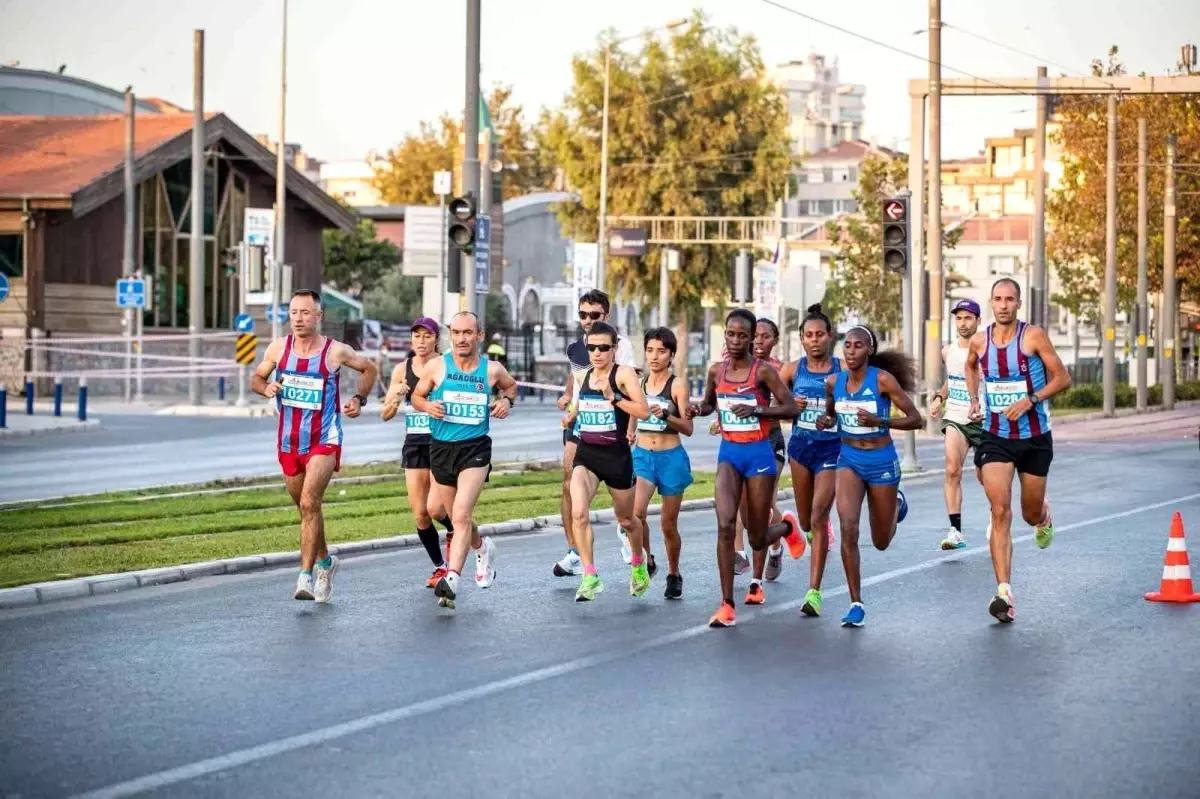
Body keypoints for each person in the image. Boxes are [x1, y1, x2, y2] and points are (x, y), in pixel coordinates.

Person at [252, 289, 378, 603]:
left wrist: (358, 399)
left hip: (324, 439)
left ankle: (305, 576)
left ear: (318, 316)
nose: (298, 318)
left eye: (305, 313)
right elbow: (256, 378)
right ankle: (325, 562)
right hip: (289, 441)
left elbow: (369, 369)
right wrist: (265, 387)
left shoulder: (335, 351)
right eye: (294, 312)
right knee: (306, 509)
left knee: (310, 503)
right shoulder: (279, 348)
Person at [686, 309, 803, 629]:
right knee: (725, 525)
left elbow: (791, 407)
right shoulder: (715, 371)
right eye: (730, 334)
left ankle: (789, 529)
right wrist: (698, 408)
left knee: (756, 536)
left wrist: (757, 409)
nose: (736, 340)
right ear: (725, 335)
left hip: (759, 455)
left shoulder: (763, 372)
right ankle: (726, 604)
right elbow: (710, 404)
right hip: (729, 454)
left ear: (752, 338)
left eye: (742, 335)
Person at [965, 278, 1070, 623]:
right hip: (996, 436)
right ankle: (1004, 592)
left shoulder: (1033, 336)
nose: (1004, 304)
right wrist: (974, 399)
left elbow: (1062, 378)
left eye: (1010, 299)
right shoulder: (980, 341)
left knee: (1028, 513)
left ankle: (1043, 515)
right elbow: (970, 365)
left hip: (1035, 436)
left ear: (1018, 303)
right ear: (991, 303)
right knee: (999, 511)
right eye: (998, 299)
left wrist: (1031, 400)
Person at [815, 325, 922, 628]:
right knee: (848, 528)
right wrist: (827, 420)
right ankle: (856, 603)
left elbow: (916, 418)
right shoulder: (833, 382)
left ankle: (896, 505)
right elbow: (833, 414)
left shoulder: (883, 380)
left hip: (881, 461)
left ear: (869, 350)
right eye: (847, 345)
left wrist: (881, 420)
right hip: (848, 459)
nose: (850, 351)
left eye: (858, 346)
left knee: (881, 541)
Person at [410, 311, 519, 609]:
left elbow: (511, 387)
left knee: (459, 514)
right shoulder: (436, 366)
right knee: (454, 514)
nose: (461, 338)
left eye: (467, 333)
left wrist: (505, 401)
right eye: (456, 332)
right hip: (442, 448)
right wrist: (427, 406)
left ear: (479, 336)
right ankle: (482, 548)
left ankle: (452, 578)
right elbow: (416, 398)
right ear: (450, 335)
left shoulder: (491, 370)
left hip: (476, 449)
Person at [381, 317, 489, 588]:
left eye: (426, 336)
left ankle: (459, 545)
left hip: (444, 441)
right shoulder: (401, 370)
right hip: (416, 443)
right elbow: (386, 414)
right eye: (416, 336)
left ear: (437, 339)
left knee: (441, 509)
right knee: (420, 513)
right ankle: (441, 566)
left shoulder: (446, 365)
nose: (420, 341)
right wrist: (396, 397)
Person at [561, 322, 651, 601]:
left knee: (627, 519)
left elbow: (643, 410)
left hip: (617, 456)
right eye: (592, 347)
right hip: (587, 454)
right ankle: (590, 575)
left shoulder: (623, 375)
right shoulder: (584, 375)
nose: (597, 353)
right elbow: (579, 404)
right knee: (578, 513)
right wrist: (570, 415)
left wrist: (614, 398)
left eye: (603, 347)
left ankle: (638, 563)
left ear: (614, 349)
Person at [554, 290, 639, 578]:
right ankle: (575, 552)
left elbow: (630, 385)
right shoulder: (576, 348)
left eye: (594, 315)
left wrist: (630, 428)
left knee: (625, 512)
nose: (588, 320)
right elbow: (577, 378)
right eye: (583, 315)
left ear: (607, 315)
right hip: (582, 422)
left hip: (612, 427)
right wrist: (569, 402)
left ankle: (626, 531)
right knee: (568, 482)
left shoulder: (621, 346)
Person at [777, 304, 842, 617]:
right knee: (806, 521)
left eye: (820, 334)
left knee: (818, 515)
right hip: (801, 448)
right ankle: (797, 528)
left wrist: (833, 414)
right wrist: (791, 403)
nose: (814, 340)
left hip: (832, 449)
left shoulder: (842, 369)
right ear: (801, 339)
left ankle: (813, 592)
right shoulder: (792, 370)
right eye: (809, 335)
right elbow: (773, 403)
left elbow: (858, 401)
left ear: (829, 336)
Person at [630, 327, 694, 600]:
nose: (654, 357)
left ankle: (674, 572)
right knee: (636, 513)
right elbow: (633, 413)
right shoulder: (639, 383)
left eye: (661, 351)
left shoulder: (677, 385)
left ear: (671, 355)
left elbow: (688, 427)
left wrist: (666, 415)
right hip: (643, 456)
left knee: (668, 525)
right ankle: (647, 560)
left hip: (671, 458)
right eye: (650, 350)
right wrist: (630, 433)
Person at [737, 318, 790, 605]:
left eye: (765, 337)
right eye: (754, 336)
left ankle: (757, 578)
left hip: (770, 443)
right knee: (748, 515)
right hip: (741, 444)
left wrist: (759, 411)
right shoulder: (735, 368)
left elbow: (790, 407)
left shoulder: (777, 371)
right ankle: (781, 535)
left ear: (774, 340)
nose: (758, 341)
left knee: (763, 504)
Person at [929, 299, 986, 551]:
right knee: (952, 470)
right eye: (959, 318)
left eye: (968, 318)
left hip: (985, 420)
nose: (963, 323)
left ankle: (997, 517)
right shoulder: (948, 351)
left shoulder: (987, 350)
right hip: (956, 417)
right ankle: (955, 531)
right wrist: (940, 398)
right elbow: (952, 380)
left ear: (978, 321)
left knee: (988, 477)